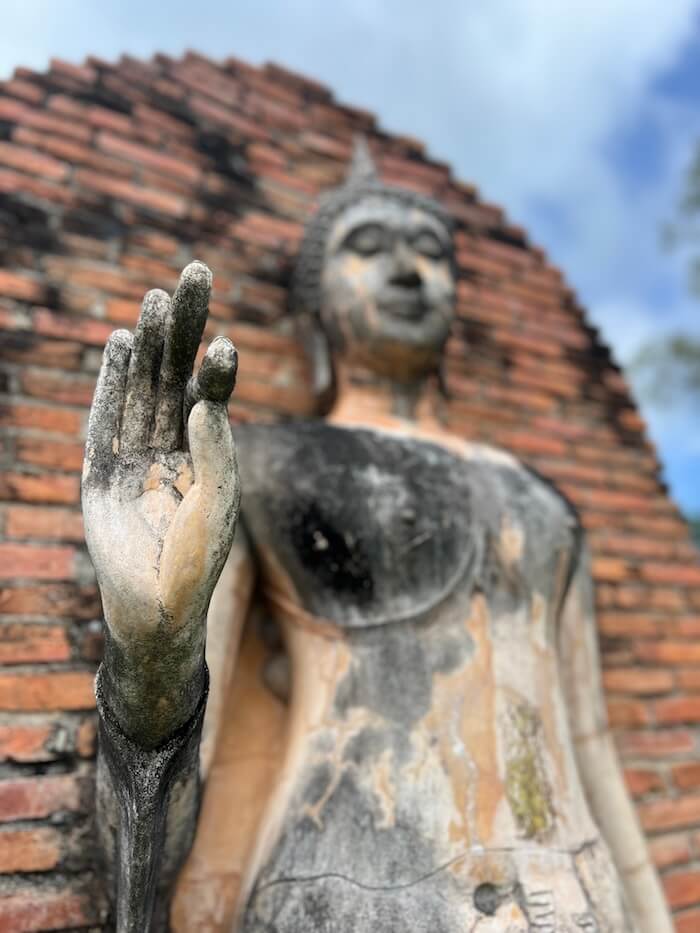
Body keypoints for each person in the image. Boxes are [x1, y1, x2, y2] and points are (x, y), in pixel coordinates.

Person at [83, 142, 672, 932]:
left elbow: (594, 753)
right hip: (350, 892)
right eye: (368, 246)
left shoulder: (543, 502)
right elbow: (174, 794)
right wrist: (149, 668)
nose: (407, 270)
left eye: (431, 252)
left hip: (572, 899)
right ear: (315, 306)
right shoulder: (259, 465)